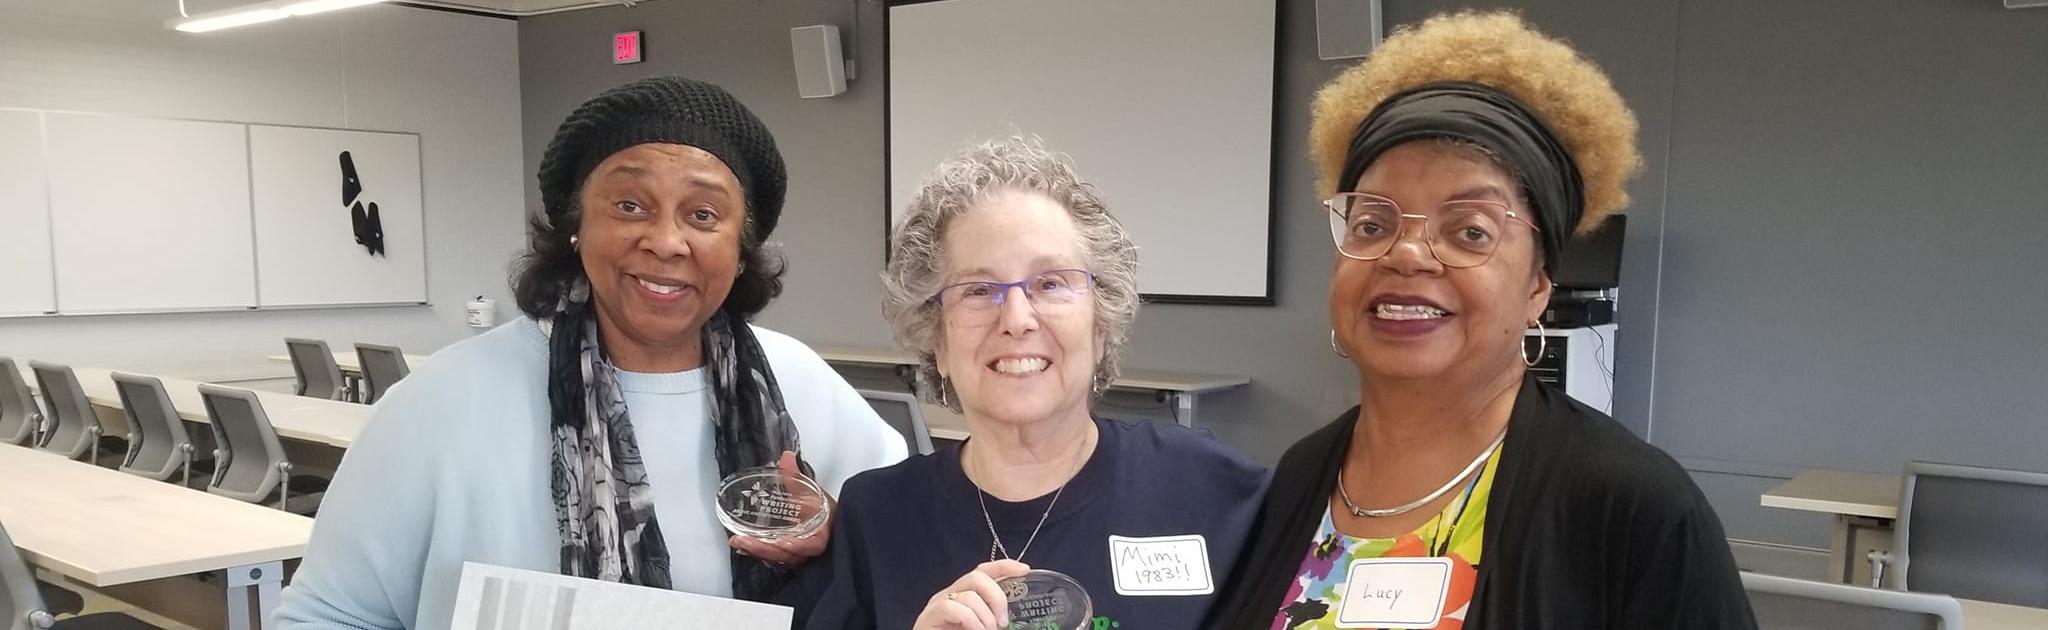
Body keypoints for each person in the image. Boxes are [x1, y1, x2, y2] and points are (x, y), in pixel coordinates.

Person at [275, 76, 908, 630]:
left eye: (704, 214)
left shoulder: (806, 389)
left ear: (742, 247)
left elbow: (911, 575)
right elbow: (328, 616)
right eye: (630, 205)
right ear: (576, 224)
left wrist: (843, 544)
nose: (665, 241)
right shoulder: (435, 406)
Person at [1205, 12, 1754, 630]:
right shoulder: (1303, 474)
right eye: (1372, 224)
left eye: (1470, 231)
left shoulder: (1632, 505)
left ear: (1538, 289)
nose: (1406, 253)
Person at [796, 136, 1268, 630]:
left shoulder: (1208, 487)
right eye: (978, 290)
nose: (1017, 318)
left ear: (1100, 325)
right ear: (935, 338)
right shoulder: (876, 518)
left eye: (1050, 284)